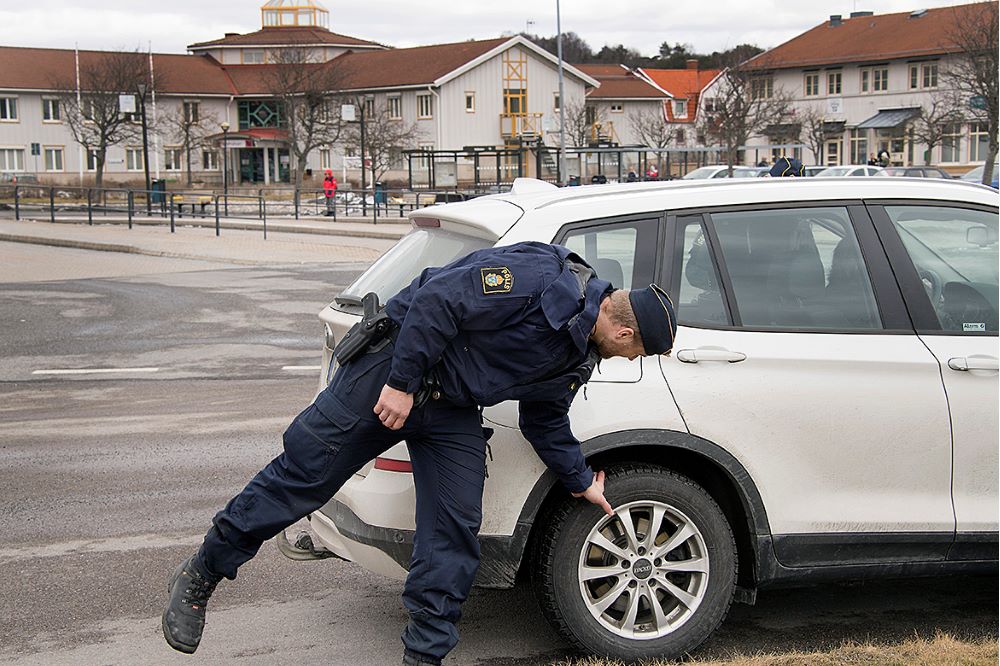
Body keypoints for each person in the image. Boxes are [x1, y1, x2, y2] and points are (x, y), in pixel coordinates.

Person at [161, 241, 678, 665]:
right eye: (635, 353)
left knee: (453, 527)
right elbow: (439, 299)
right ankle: (202, 572)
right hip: (394, 369)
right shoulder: (541, 275)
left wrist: (580, 478)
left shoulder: (577, 353)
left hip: (452, 408)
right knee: (302, 479)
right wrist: (403, 383)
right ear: (626, 332)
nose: (627, 360)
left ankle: (423, 658)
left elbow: (543, 417)